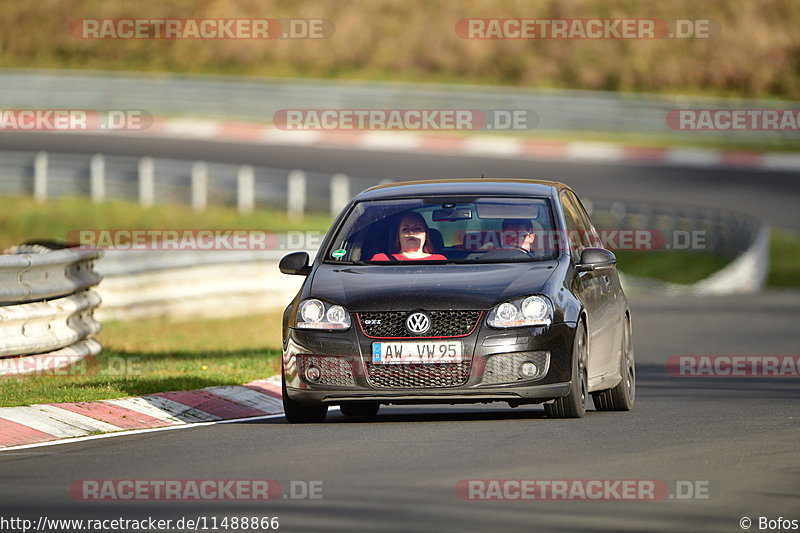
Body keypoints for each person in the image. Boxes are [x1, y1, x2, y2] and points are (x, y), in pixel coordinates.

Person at [370, 212, 446, 261]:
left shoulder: (439, 260)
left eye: (417, 229)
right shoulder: (382, 259)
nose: (411, 232)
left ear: (426, 235)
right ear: (398, 235)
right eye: (405, 229)